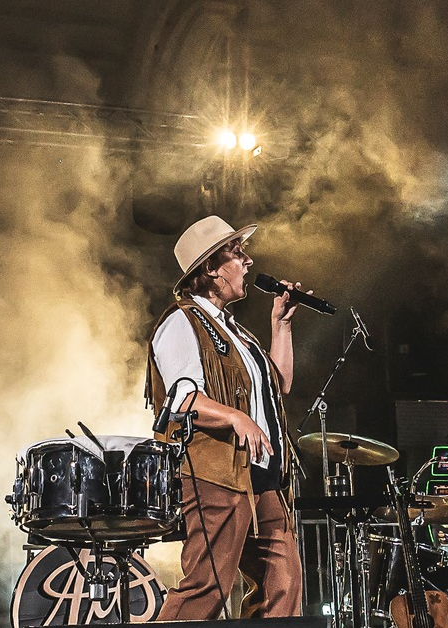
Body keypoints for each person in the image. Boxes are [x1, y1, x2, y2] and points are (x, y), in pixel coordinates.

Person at [145, 215, 305, 619]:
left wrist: (280, 325)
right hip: (215, 474)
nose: (248, 261)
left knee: (282, 585)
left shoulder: (236, 331)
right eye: (237, 253)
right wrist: (235, 417)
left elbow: (279, 383)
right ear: (211, 270)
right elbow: (181, 398)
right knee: (207, 588)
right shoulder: (182, 321)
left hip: (262, 475)